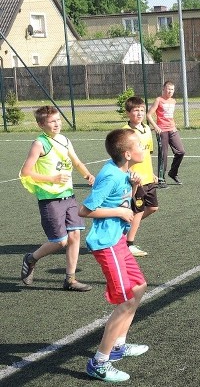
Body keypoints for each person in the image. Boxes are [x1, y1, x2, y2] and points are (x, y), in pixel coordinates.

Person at [79, 128, 149, 382]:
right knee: (126, 300)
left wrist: (132, 188)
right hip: (106, 244)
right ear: (128, 154)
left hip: (118, 240)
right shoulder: (109, 176)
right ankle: (98, 363)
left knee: (139, 288)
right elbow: (84, 211)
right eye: (140, 145)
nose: (145, 148)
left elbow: (123, 203)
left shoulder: (124, 173)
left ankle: (119, 345)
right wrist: (119, 214)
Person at [19, 106, 95, 291]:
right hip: (50, 199)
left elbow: (76, 161)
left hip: (68, 196)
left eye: (58, 120)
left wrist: (88, 176)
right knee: (59, 241)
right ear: (40, 124)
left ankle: (70, 279)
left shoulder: (65, 140)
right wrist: (52, 178)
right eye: (52, 121)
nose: (57, 124)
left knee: (75, 235)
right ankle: (31, 259)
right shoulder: (40, 144)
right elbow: (25, 172)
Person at [122, 96, 159, 257]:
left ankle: (124, 229)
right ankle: (128, 244)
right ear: (128, 113)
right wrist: (129, 173)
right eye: (136, 110)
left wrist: (151, 173)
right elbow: (123, 156)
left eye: (142, 110)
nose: (139, 113)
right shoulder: (126, 132)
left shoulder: (146, 129)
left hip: (148, 177)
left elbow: (147, 153)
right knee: (137, 210)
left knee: (152, 208)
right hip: (136, 180)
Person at [147, 81, 186, 188]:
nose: (170, 91)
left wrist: (174, 126)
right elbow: (149, 115)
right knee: (163, 155)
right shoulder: (158, 100)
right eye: (168, 89)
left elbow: (169, 117)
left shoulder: (173, 101)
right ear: (163, 89)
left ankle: (173, 173)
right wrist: (156, 126)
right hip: (162, 131)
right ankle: (161, 179)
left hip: (172, 130)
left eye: (172, 89)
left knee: (181, 152)